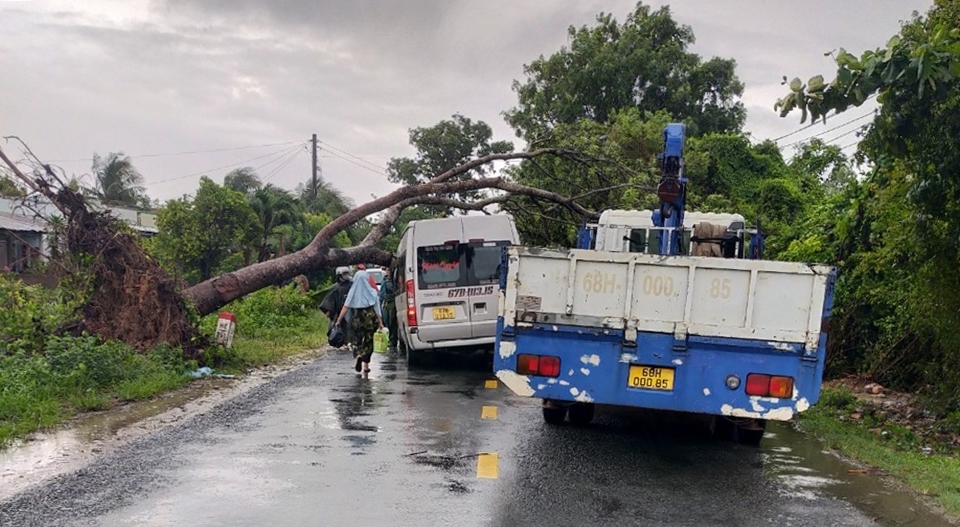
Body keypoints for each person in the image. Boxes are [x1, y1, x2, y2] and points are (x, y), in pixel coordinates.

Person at [335, 269, 385, 373]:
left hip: (357, 319)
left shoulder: (352, 292)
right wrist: (380, 322)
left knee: (356, 341)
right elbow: (377, 309)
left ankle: (358, 355)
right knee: (369, 342)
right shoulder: (372, 292)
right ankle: (366, 366)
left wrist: (339, 320)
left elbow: (345, 307)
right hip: (370, 319)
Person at [320, 267, 354, 346]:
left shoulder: (352, 285)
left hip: (351, 310)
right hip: (338, 311)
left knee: (350, 326)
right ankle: (342, 342)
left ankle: (349, 341)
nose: (346, 275)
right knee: (339, 326)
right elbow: (330, 299)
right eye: (344, 274)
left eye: (347, 273)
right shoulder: (335, 287)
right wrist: (328, 310)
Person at [379, 261, 398, 352]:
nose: (388, 271)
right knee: (386, 320)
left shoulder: (395, 280)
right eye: (387, 270)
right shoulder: (384, 280)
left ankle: (393, 340)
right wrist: (381, 302)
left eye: (389, 270)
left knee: (392, 321)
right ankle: (390, 339)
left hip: (393, 301)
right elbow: (382, 294)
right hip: (386, 302)